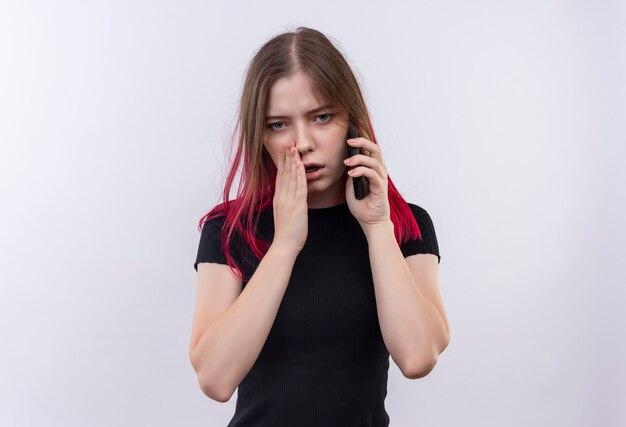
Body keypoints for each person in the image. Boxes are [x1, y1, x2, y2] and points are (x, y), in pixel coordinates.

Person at [188, 26, 450, 426]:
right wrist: (285, 245)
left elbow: (417, 357)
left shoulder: (403, 224)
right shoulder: (229, 228)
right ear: (259, 135)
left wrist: (377, 226)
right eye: (278, 125)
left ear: (352, 121)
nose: (303, 141)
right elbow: (215, 379)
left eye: (321, 117)